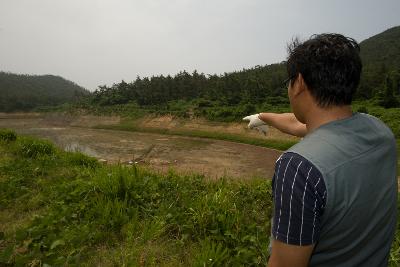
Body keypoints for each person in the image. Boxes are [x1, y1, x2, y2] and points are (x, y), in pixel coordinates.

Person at [243, 34, 397, 267]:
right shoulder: (380, 132)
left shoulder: (298, 168)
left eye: (289, 82)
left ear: (300, 83)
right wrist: (262, 117)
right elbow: (301, 125)